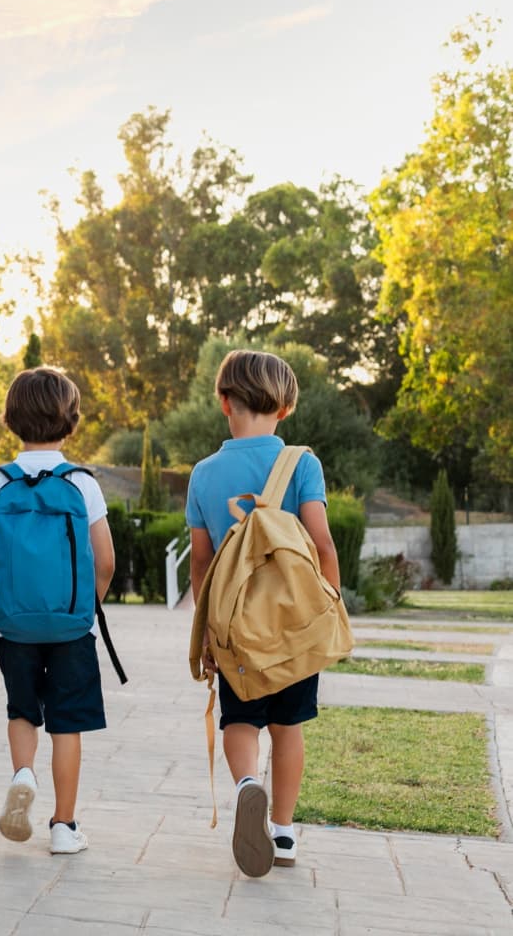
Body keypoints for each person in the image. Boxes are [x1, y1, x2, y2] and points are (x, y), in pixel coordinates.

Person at [186, 349, 339, 877]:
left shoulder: (204, 474)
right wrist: (329, 608)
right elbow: (321, 544)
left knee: (241, 719)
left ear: (224, 403)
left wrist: (206, 633)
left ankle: (248, 784)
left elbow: (202, 564)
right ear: (286, 406)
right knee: (288, 726)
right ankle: (283, 829)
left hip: (234, 628)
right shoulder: (301, 462)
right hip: (294, 626)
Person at [0, 367, 116, 855]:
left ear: (10, 419)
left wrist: (0, 605)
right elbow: (106, 559)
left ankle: (23, 773)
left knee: (22, 711)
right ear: (70, 421)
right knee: (66, 724)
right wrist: (85, 606)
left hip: (15, 625)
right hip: (72, 625)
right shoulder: (81, 483)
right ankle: (64, 825)